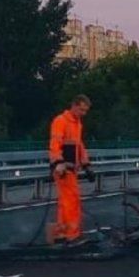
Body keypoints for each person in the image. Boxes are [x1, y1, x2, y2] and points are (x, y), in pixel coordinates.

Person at [48, 95, 92, 245]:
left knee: (66, 201)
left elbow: (79, 145)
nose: (83, 113)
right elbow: (55, 143)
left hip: (71, 167)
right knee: (71, 200)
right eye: (81, 110)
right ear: (73, 105)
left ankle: (61, 232)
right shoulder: (61, 121)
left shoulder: (77, 123)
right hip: (63, 168)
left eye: (85, 111)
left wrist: (86, 164)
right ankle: (72, 235)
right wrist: (59, 162)